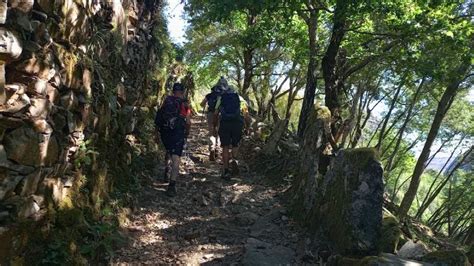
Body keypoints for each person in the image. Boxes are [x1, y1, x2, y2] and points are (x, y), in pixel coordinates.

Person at [154, 83, 192, 197]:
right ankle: (171, 186)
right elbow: (189, 122)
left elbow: (159, 115)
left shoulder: (167, 100)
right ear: (183, 92)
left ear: (173, 91)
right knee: (176, 158)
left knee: (168, 151)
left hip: (165, 131)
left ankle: (166, 170)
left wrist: (156, 132)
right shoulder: (185, 104)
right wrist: (187, 133)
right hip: (178, 132)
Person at [214, 77, 249, 180]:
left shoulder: (221, 98)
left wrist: (215, 125)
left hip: (225, 124)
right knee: (235, 144)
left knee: (225, 147)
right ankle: (234, 160)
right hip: (237, 123)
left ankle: (225, 170)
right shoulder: (240, 98)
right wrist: (247, 126)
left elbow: (216, 113)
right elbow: (246, 114)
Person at [200, 83, 223, 161]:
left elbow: (202, 104)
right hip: (220, 115)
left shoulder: (209, 95)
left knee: (211, 132)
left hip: (210, 114)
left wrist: (205, 105)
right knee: (218, 132)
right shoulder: (222, 96)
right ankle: (217, 149)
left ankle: (212, 149)